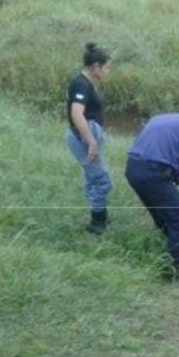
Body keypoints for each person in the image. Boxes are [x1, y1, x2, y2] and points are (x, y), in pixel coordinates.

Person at [124, 109, 179, 285]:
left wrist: (175, 177)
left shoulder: (157, 118)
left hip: (132, 168)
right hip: (155, 172)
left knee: (163, 216)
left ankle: (166, 255)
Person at [66, 42, 113, 235]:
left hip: (88, 135)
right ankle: (97, 222)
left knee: (93, 177)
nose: (108, 72)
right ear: (95, 67)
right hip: (85, 137)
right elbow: (77, 114)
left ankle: (99, 213)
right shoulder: (81, 84)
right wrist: (91, 141)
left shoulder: (86, 83)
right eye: (106, 68)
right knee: (102, 180)